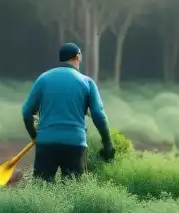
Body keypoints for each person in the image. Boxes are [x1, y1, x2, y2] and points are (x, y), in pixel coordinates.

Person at [22, 42, 114, 181]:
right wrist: (108, 143)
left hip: (46, 144)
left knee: (42, 188)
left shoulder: (43, 79)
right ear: (77, 56)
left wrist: (35, 136)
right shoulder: (87, 82)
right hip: (75, 144)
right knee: (73, 193)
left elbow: (27, 112)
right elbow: (98, 115)